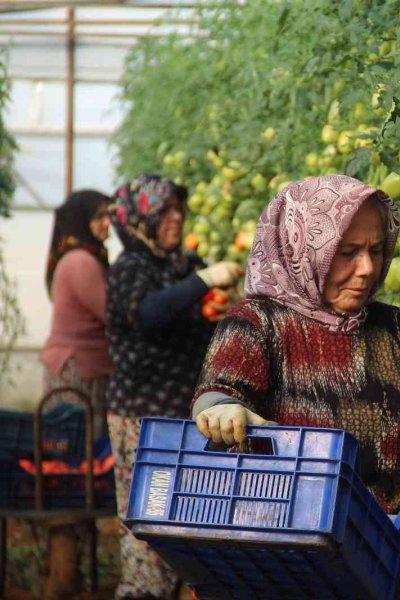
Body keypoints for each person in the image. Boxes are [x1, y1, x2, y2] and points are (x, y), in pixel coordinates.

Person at [191, 175, 400, 599]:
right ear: (302, 249)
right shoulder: (258, 324)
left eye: (376, 250)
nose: (367, 269)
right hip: (286, 568)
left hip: (385, 567)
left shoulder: (399, 331)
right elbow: (219, 392)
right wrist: (223, 410)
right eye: (346, 253)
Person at [106, 174, 243, 600]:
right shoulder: (131, 269)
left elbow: (193, 315)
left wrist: (218, 305)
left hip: (187, 415)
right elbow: (149, 314)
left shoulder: (179, 263)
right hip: (141, 419)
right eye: (165, 210)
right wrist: (205, 281)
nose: (176, 218)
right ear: (141, 217)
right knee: (147, 520)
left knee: (187, 518)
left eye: (179, 209)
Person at [39, 189, 113, 600]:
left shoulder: (79, 255)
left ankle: (71, 561)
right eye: (100, 217)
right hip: (74, 374)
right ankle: (65, 566)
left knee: (78, 458)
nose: (107, 225)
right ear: (81, 219)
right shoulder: (81, 261)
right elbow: (112, 313)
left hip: (79, 370)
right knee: (72, 456)